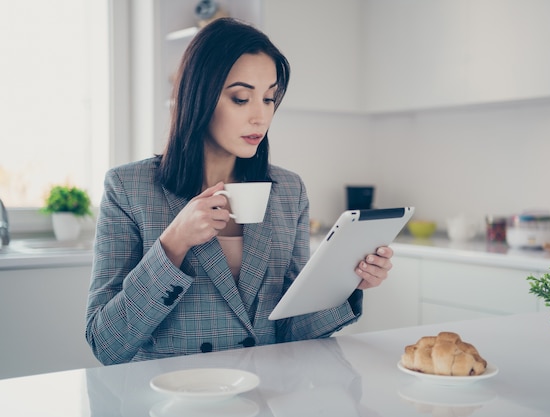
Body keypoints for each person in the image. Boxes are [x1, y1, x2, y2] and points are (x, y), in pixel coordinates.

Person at [85, 17, 394, 365]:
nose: (260, 117)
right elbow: (106, 343)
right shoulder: (128, 188)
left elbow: (293, 332)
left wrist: (346, 283)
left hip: (262, 395)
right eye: (241, 98)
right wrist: (174, 244)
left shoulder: (288, 191)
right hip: (171, 398)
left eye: (269, 99)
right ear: (199, 96)